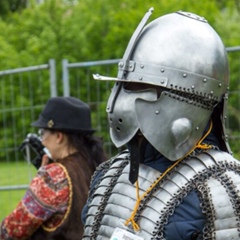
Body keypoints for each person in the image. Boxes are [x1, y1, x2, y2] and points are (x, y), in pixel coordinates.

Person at [81, 8, 240, 240]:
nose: (124, 100)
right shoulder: (109, 175)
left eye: (141, 88)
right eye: (125, 85)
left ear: (188, 98)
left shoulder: (222, 187)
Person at [0, 96, 107, 239]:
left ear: (58, 136)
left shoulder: (53, 176)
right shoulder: (100, 166)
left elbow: (12, 230)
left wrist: (39, 181)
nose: (42, 141)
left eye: (43, 133)